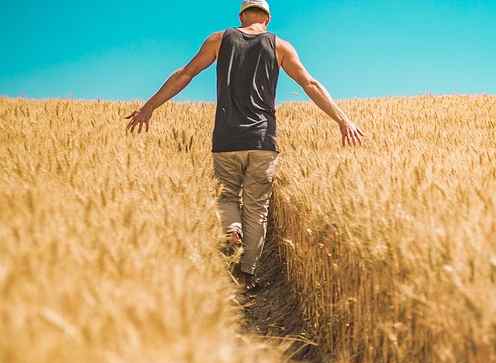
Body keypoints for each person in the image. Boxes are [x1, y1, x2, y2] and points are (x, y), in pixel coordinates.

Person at [125, 0, 364, 291]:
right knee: (257, 208)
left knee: (226, 198)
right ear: (268, 19)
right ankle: (247, 273)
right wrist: (343, 120)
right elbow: (310, 84)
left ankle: (231, 229)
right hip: (263, 141)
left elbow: (185, 74)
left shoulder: (219, 39)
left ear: (241, 16)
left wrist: (148, 108)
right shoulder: (281, 46)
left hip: (226, 139)